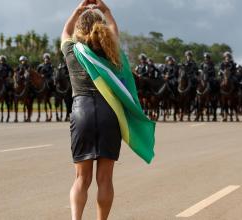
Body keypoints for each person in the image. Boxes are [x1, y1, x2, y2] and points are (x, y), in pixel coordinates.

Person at [61, 1, 155, 219]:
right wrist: (105, 9)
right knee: (105, 179)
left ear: (80, 30)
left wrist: (78, 9)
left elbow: (65, 31)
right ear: (102, 30)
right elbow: (113, 30)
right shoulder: (113, 54)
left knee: (81, 179)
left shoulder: (72, 52)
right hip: (109, 115)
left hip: (81, 112)